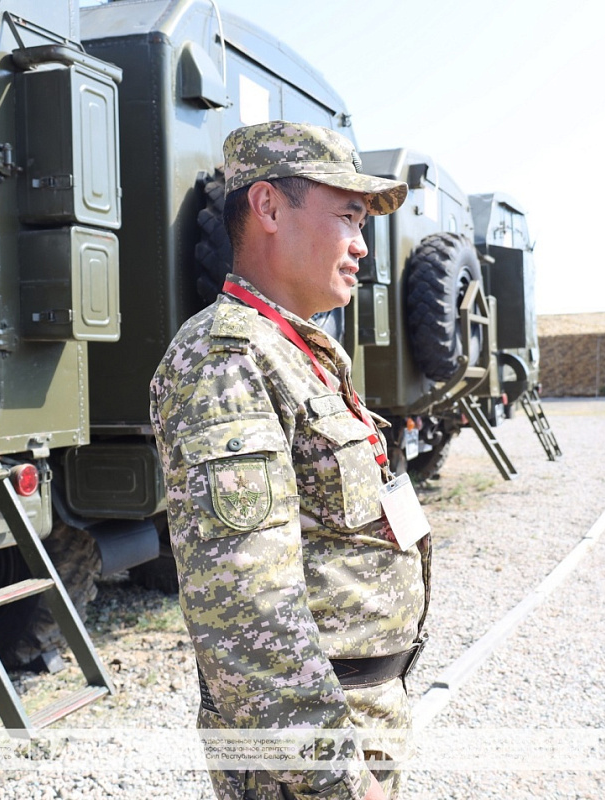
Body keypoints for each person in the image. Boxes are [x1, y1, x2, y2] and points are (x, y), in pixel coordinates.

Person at [150, 121, 429, 800]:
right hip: (306, 764)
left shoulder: (293, 349)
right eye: (348, 217)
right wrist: (337, 779)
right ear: (268, 207)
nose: (362, 245)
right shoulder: (225, 359)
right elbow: (247, 613)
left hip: (356, 717)